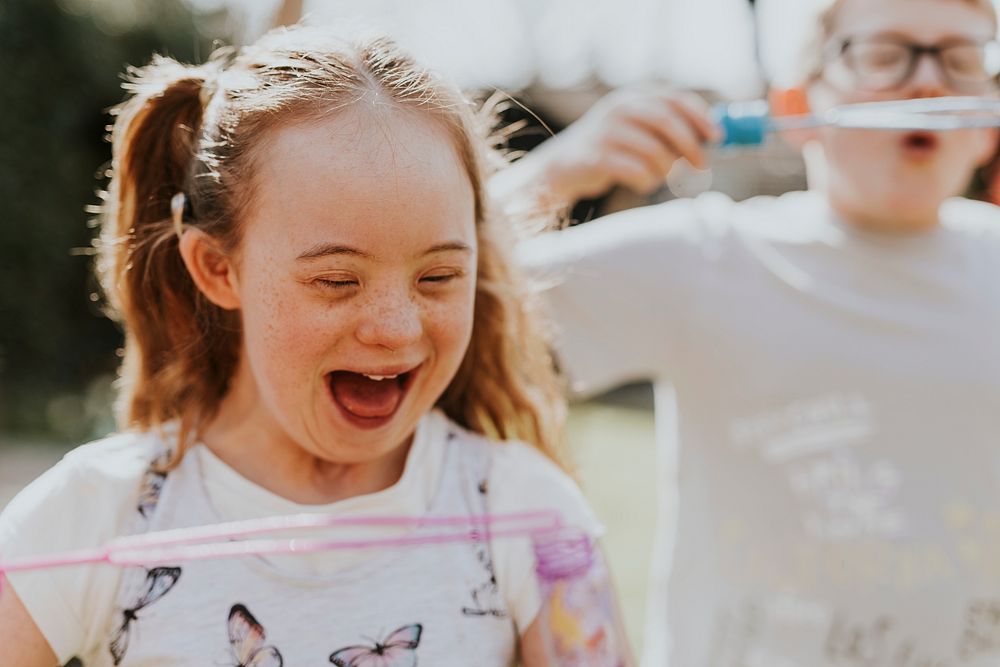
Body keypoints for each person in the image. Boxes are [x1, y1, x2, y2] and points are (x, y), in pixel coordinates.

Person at [0, 26, 621, 667]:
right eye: (336, 280)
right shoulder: (98, 514)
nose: (396, 328)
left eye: (438, 277)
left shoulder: (528, 513)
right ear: (218, 269)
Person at [507, 0, 1000, 665]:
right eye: (885, 53)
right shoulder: (707, 258)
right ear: (796, 106)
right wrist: (550, 177)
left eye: (964, 59)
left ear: (988, 125)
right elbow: (435, 301)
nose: (929, 82)